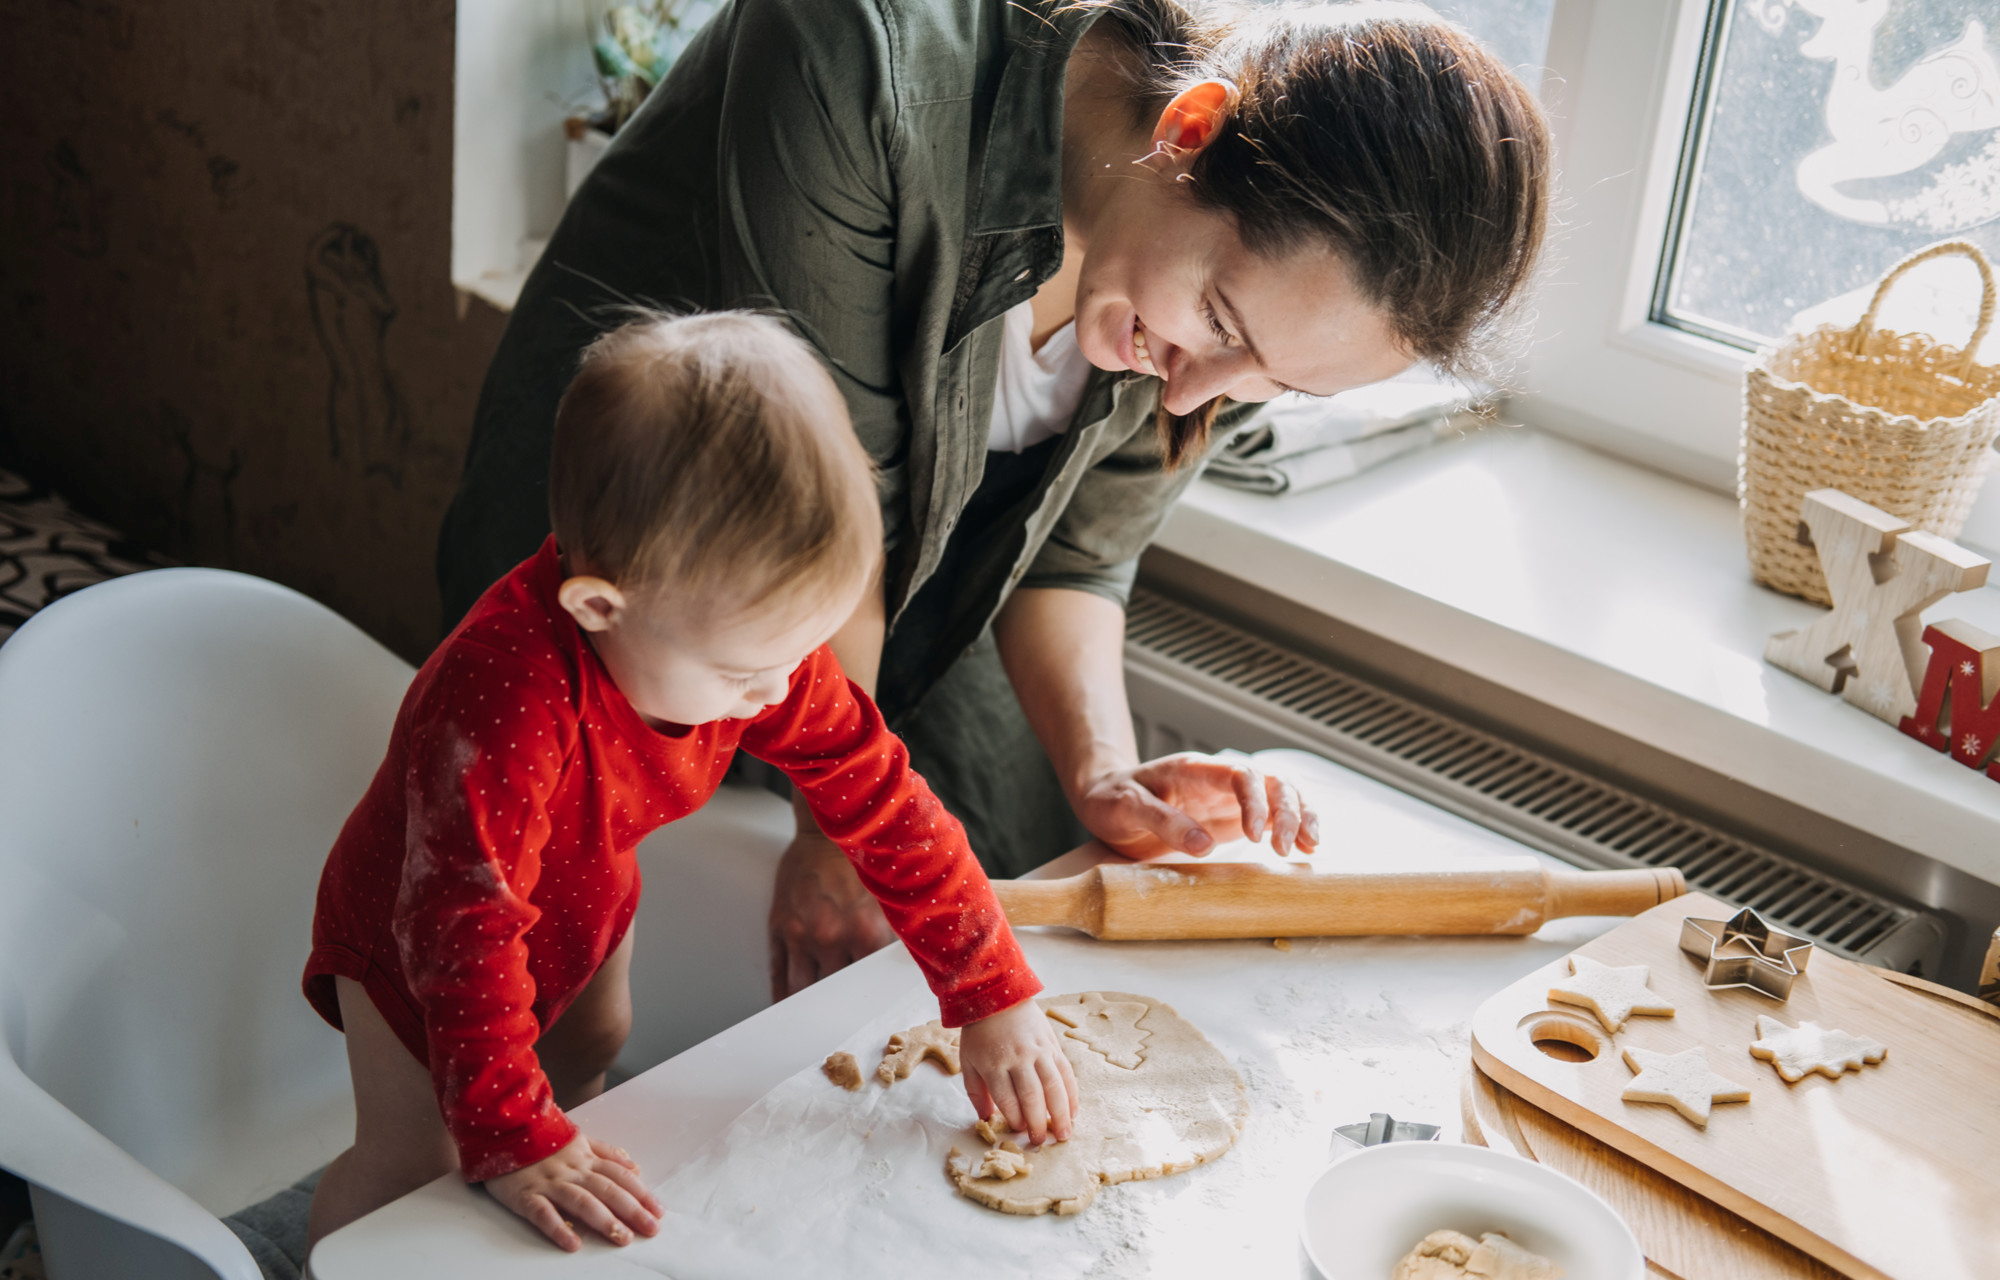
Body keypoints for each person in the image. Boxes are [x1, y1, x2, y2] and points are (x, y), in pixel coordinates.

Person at [436, 0, 1548, 999]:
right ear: (1190, 128)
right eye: (1220, 321)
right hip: (649, 569)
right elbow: (833, 515)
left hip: (914, 584)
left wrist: (1103, 770)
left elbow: (1076, 557)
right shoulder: (854, 48)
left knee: (1022, 883)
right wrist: (841, 826)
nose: (1196, 390)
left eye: (1275, 381)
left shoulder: (1203, 319)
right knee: (559, 969)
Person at [302, 312, 1076, 1252]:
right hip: (418, 938)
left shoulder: (749, 650)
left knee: (591, 1062)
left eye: (798, 654)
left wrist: (990, 989)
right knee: (418, 1162)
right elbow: (461, 930)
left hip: (582, 896)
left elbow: (886, 801)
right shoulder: (501, 700)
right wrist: (511, 1137)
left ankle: (549, 1192)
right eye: (747, 674)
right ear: (601, 607)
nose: (777, 693)